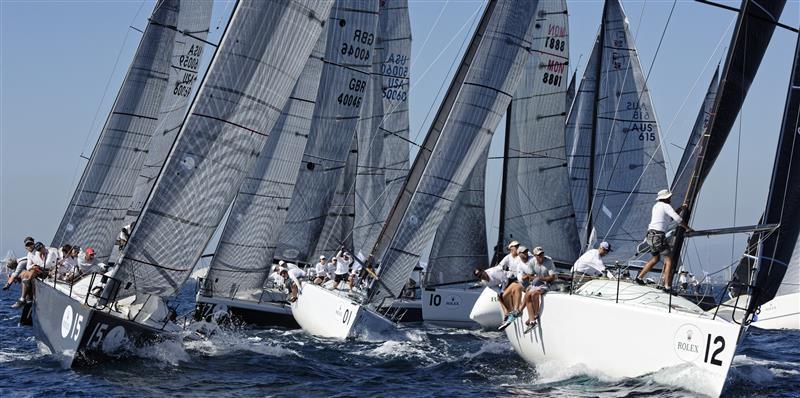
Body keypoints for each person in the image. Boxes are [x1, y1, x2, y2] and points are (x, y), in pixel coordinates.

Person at [634, 189, 692, 293]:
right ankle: (667, 287)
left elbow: (667, 218)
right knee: (669, 260)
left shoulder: (656, 206)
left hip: (650, 236)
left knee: (656, 258)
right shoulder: (666, 206)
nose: (670, 198)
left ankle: (639, 278)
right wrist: (687, 228)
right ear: (666, 198)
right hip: (658, 237)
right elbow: (678, 219)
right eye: (669, 197)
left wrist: (680, 209)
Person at [519, 247, 557, 329]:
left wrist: (540, 278)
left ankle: (535, 315)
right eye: (539, 255)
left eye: (542, 254)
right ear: (535, 256)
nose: (541, 256)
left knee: (534, 294)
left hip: (547, 284)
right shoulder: (532, 262)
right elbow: (530, 275)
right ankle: (532, 320)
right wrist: (535, 278)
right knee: (528, 294)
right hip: (536, 284)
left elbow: (552, 277)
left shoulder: (548, 261)